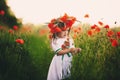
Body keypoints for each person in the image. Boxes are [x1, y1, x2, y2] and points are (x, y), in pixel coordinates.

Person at [47, 13, 81, 80]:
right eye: (63, 30)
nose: (65, 33)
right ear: (56, 31)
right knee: (58, 75)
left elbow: (72, 50)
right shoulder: (55, 40)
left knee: (67, 74)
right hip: (59, 62)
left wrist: (76, 50)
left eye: (67, 30)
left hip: (68, 60)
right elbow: (58, 52)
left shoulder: (70, 39)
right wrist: (69, 50)